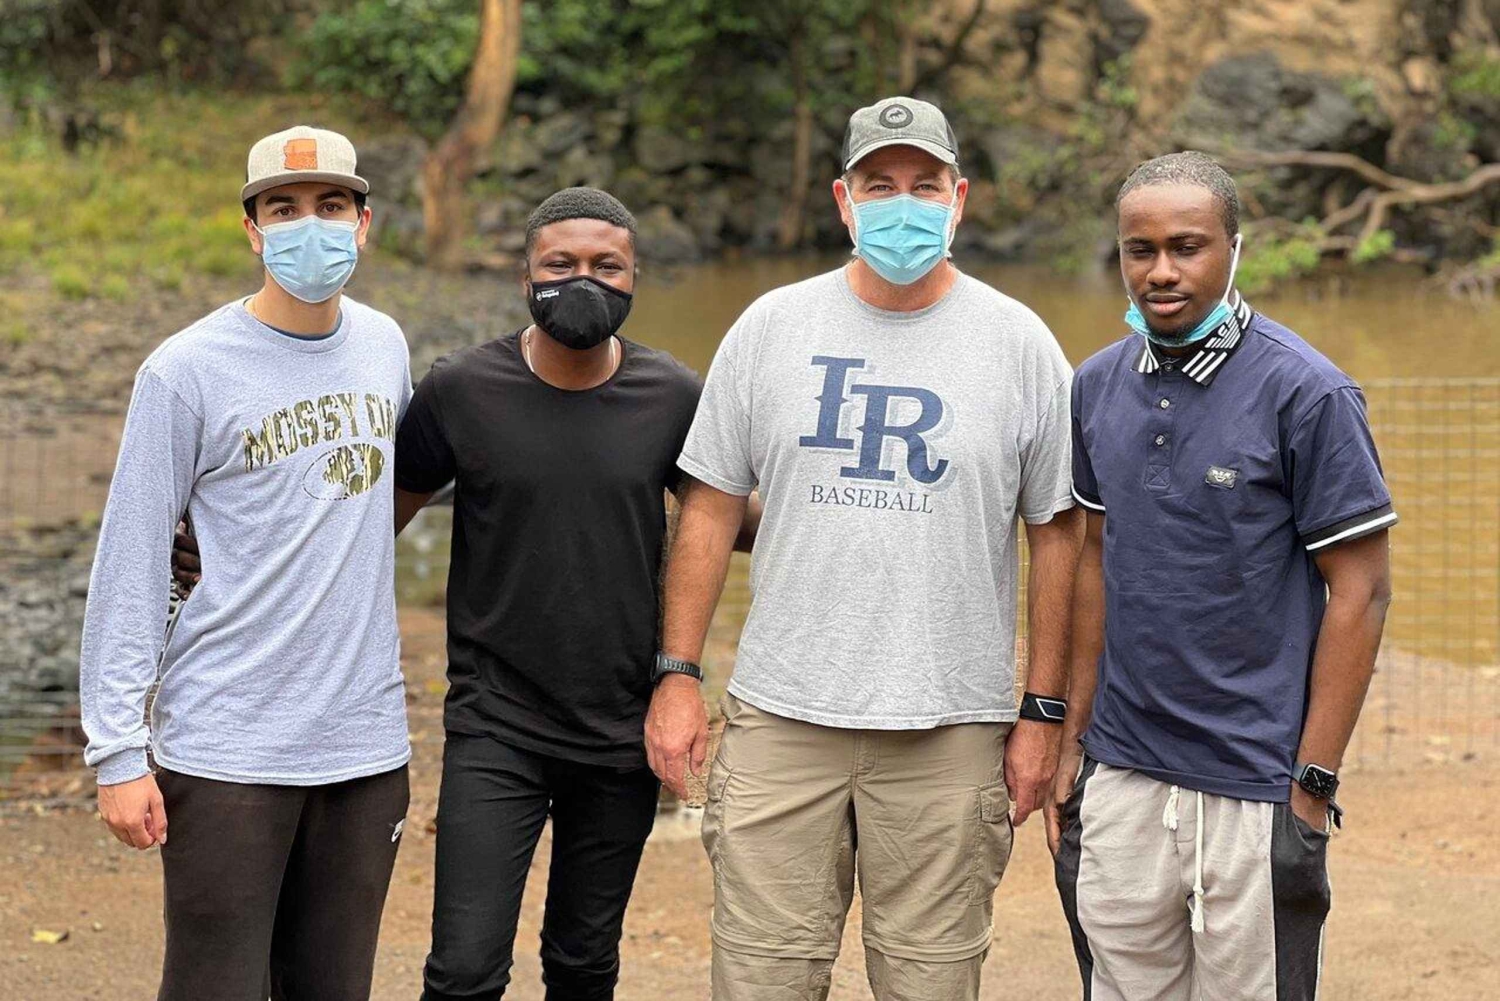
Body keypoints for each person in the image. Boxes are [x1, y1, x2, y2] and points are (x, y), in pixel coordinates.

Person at [644, 97, 1083, 1000]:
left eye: (925, 185)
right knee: (761, 976)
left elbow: (1059, 534)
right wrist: (677, 673)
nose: (903, 204)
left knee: (930, 981)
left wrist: (1042, 711)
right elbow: (708, 508)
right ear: (844, 201)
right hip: (782, 718)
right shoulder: (771, 328)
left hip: (950, 728)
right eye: (881, 184)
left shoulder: (1021, 344)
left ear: (959, 200)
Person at [1047, 151, 1396, 1001]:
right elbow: (1093, 556)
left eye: (1187, 246)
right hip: (1124, 771)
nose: (1161, 271)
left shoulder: (1307, 393)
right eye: (1140, 249)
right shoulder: (1094, 386)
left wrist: (1311, 784)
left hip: (1255, 782)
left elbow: (1361, 591)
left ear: (1235, 248)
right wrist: (1072, 742)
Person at [392, 187, 756, 1001]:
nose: (582, 280)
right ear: (526, 275)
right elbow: (371, 519)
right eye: (561, 264)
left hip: (621, 724)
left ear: (634, 278)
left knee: (584, 961)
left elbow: (725, 516)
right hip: (496, 720)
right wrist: (233, 545)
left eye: (606, 265)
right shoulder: (460, 388)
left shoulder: (673, 396)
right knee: (462, 968)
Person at [80, 125, 413, 1001]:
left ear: (364, 222)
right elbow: (133, 557)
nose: (312, 225)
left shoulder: (386, 346)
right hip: (228, 745)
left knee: (333, 987)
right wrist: (117, 749)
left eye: (331, 206)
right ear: (253, 230)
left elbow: (388, 494)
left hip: (364, 747)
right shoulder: (185, 371)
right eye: (285, 208)